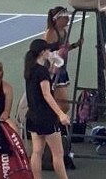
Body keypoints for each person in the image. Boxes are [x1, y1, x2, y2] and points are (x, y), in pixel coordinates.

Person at [24, 39, 70, 179]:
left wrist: (51, 66)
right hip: (46, 117)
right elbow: (46, 94)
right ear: (43, 52)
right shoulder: (41, 72)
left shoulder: (30, 70)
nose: (50, 52)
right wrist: (61, 114)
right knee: (58, 153)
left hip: (32, 115)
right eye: (48, 50)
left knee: (37, 152)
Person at [44, 6, 83, 113]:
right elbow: (45, 53)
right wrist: (58, 53)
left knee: (60, 105)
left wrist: (75, 45)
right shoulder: (51, 33)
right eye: (65, 17)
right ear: (57, 19)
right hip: (53, 72)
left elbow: (66, 48)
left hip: (61, 71)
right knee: (64, 106)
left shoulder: (64, 32)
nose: (68, 19)